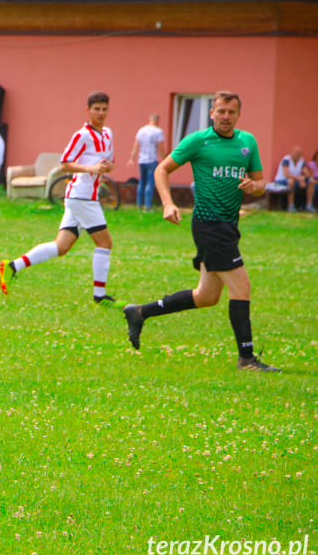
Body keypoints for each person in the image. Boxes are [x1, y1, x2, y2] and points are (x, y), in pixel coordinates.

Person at [122, 90, 280, 372]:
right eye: (221, 111)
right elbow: (161, 169)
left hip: (229, 225)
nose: (226, 117)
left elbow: (260, 184)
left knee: (207, 296)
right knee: (241, 287)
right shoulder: (198, 141)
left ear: (238, 114)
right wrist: (168, 204)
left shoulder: (247, 142)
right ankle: (246, 358)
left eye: (231, 112)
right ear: (211, 113)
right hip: (209, 224)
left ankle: (139, 312)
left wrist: (253, 186)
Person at [0, 91, 121, 307]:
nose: (101, 113)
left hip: (82, 197)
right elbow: (64, 164)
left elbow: (107, 162)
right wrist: (90, 168)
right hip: (82, 197)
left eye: (104, 109)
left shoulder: (108, 134)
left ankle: (11, 267)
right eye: (96, 109)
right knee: (105, 242)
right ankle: (99, 295)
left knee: (61, 247)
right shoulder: (81, 135)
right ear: (88, 110)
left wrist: (107, 167)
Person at [127, 113, 165, 212]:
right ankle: (147, 206)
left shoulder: (141, 130)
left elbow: (136, 145)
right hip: (152, 160)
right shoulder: (158, 131)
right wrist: (164, 158)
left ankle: (139, 205)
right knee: (150, 183)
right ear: (157, 121)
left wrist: (132, 159)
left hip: (141, 160)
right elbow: (160, 146)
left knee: (141, 182)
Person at [268, 146, 316, 212]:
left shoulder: (301, 161)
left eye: (299, 153)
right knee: (291, 181)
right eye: (296, 152)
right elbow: (286, 174)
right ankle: (291, 205)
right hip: (282, 180)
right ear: (292, 152)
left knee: (311, 181)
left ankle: (309, 205)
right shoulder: (286, 160)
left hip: (296, 180)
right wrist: (300, 179)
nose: (297, 154)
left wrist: (303, 178)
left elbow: (307, 174)